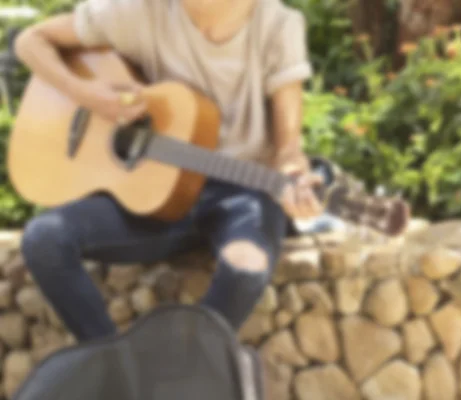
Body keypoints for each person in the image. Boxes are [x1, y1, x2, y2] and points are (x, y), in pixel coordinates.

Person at [14, 0, 322, 342]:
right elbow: (30, 41)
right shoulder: (143, 11)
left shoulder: (280, 25)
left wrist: (294, 179)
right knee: (45, 239)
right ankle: (117, 369)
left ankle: (178, 374)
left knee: (246, 269)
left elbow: (288, 149)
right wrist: (87, 95)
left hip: (244, 192)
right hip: (158, 193)